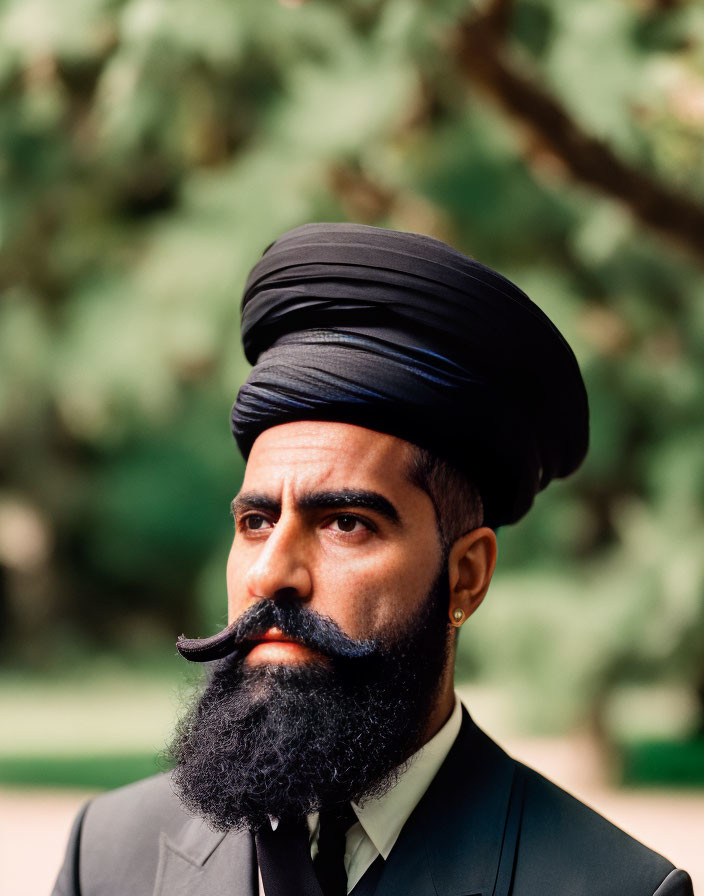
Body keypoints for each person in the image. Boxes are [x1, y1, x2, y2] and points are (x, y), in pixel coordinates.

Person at [52, 223, 693, 896]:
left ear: (466, 576)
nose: (270, 573)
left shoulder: (617, 890)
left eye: (346, 523)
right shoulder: (109, 854)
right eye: (257, 521)